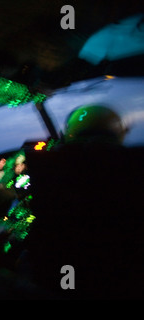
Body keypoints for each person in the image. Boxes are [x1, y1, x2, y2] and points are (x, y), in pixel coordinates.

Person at [23, 104, 144, 298]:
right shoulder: (134, 171)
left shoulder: (51, 175)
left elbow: (43, 234)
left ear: (69, 134)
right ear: (118, 132)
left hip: (67, 277)